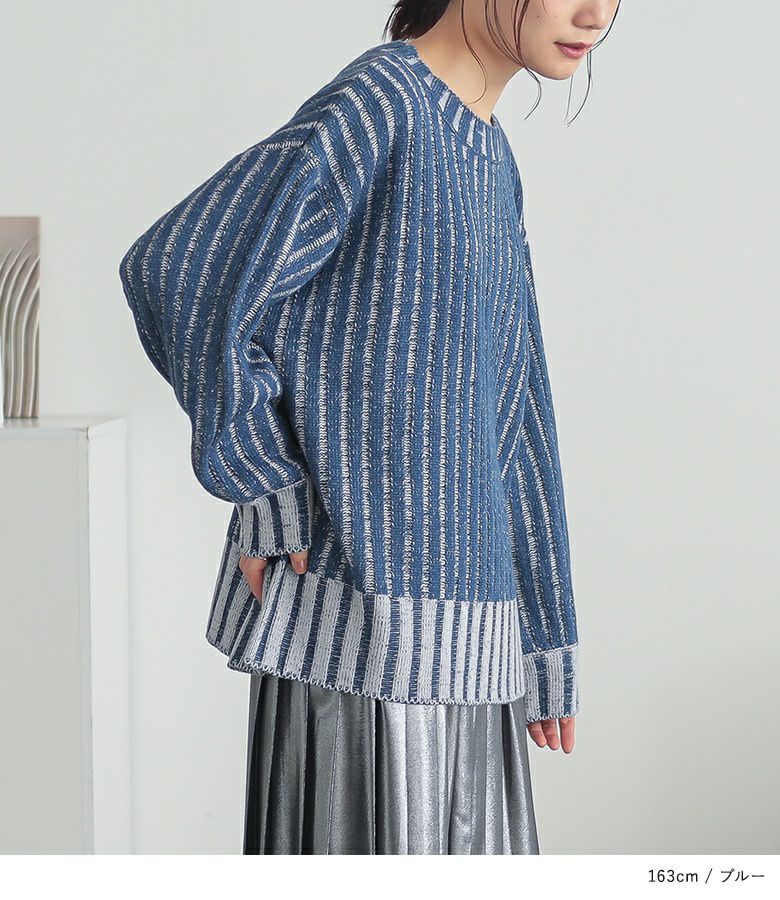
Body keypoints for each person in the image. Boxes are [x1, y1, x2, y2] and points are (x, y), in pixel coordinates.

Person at [119, 0, 619, 855]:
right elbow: (180, 268)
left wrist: (544, 632)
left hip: (472, 641)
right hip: (360, 638)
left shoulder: (489, 152)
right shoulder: (384, 101)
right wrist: (264, 485)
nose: (596, 13)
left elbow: (516, 405)